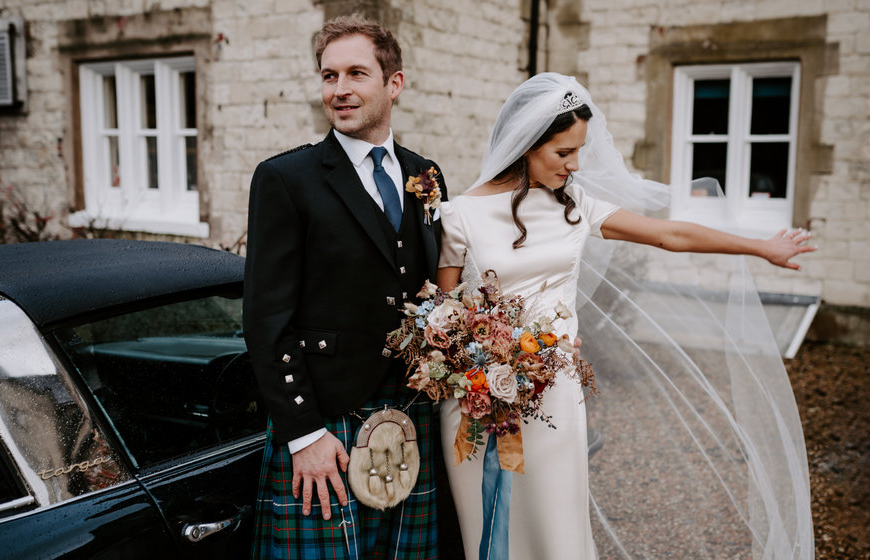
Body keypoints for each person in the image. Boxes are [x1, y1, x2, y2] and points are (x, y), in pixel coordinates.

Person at [436, 73, 816, 559]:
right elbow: (444, 319)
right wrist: (483, 362)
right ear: (528, 145)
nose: (575, 165)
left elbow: (668, 235)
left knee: (557, 526)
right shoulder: (460, 213)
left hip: (553, 393)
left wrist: (760, 247)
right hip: (478, 402)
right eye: (563, 153)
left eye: (580, 151)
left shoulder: (576, 204)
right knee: (487, 529)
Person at [243, 15, 448, 560]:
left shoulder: (424, 174)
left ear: (394, 83)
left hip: (411, 413)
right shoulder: (287, 179)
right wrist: (303, 434)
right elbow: (265, 318)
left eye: (357, 73)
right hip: (325, 421)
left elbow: (432, 284)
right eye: (329, 76)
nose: (341, 90)